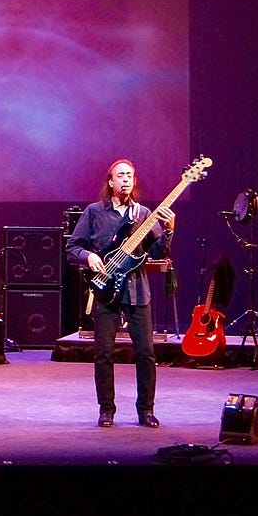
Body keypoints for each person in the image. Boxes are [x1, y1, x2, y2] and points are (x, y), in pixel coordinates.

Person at [65, 158, 175, 428]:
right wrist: (89, 256)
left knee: (146, 353)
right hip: (105, 289)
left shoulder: (144, 214)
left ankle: (146, 410)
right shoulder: (94, 212)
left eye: (130, 175)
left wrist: (169, 230)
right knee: (104, 353)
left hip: (137, 290)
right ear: (111, 181)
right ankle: (106, 410)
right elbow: (73, 248)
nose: (125, 179)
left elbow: (156, 252)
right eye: (120, 175)